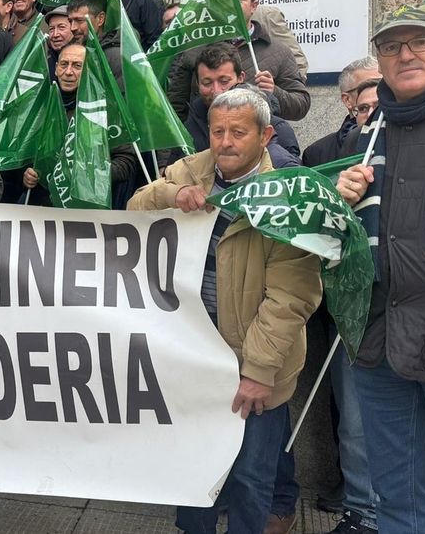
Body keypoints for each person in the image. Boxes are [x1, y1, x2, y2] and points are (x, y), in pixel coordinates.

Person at [129, 87, 321, 534]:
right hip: (196, 354)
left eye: (238, 132)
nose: (225, 143)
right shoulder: (192, 168)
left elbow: (290, 298)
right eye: (218, 132)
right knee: (197, 472)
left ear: (266, 135)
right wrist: (172, 194)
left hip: (257, 365)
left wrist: (258, 370)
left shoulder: (288, 193)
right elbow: (135, 208)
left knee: (252, 478)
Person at [335, 3, 425, 534]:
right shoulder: (367, 133)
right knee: (398, 504)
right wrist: (342, 202)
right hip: (380, 341)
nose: (405, 54)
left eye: (420, 41)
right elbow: (344, 242)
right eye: (391, 46)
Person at [168, 0, 310, 122]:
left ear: (253, 5)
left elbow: (301, 106)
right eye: (226, 0)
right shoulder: (196, 48)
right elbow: (176, 106)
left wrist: (274, 92)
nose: (232, 5)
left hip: (258, 141)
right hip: (206, 142)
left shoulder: (279, 52)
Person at [21, 43, 139, 208]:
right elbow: (28, 156)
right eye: (64, 64)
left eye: (77, 66)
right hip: (44, 207)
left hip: (88, 209)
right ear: (55, 68)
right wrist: (28, 174)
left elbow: (127, 161)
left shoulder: (105, 110)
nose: (68, 72)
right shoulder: (42, 106)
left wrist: (90, 175)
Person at [183, 43, 300, 168]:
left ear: (241, 78)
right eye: (207, 83)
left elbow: (292, 177)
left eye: (224, 81)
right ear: (197, 83)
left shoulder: (278, 128)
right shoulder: (189, 127)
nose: (216, 91)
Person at [302, 57, 379, 168]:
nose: (377, 93)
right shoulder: (317, 153)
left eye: (383, 86)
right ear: (347, 100)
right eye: (366, 87)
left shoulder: (405, 139)